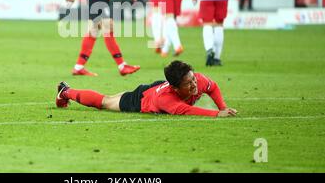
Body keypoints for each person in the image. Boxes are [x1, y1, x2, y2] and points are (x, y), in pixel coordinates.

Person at [56, 60, 238, 117]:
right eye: (189, 83)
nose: (194, 85)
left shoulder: (198, 79)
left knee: (109, 97)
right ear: (176, 88)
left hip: (157, 86)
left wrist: (222, 107)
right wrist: (216, 114)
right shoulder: (167, 100)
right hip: (141, 99)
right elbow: (186, 110)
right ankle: (65, 91)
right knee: (105, 101)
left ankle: (65, 91)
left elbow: (212, 87)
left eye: (193, 79)